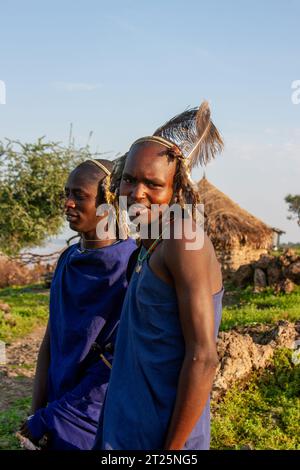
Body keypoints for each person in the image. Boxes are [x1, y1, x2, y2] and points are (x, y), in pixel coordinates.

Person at [93, 102, 224, 450]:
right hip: (126, 427)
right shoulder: (148, 245)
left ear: (176, 191)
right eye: (129, 180)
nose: (137, 193)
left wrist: (172, 451)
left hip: (163, 435)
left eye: (153, 183)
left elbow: (203, 356)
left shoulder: (184, 240)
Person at [19, 159, 136, 450]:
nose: (68, 203)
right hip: (55, 407)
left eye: (79, 196)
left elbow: (116, 362)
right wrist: (37, 412)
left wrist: (55, 417)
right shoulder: (67, 259)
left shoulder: (131, 267)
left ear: (109, 204)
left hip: (95, 418)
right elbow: (51, 339)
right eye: (66, 193)